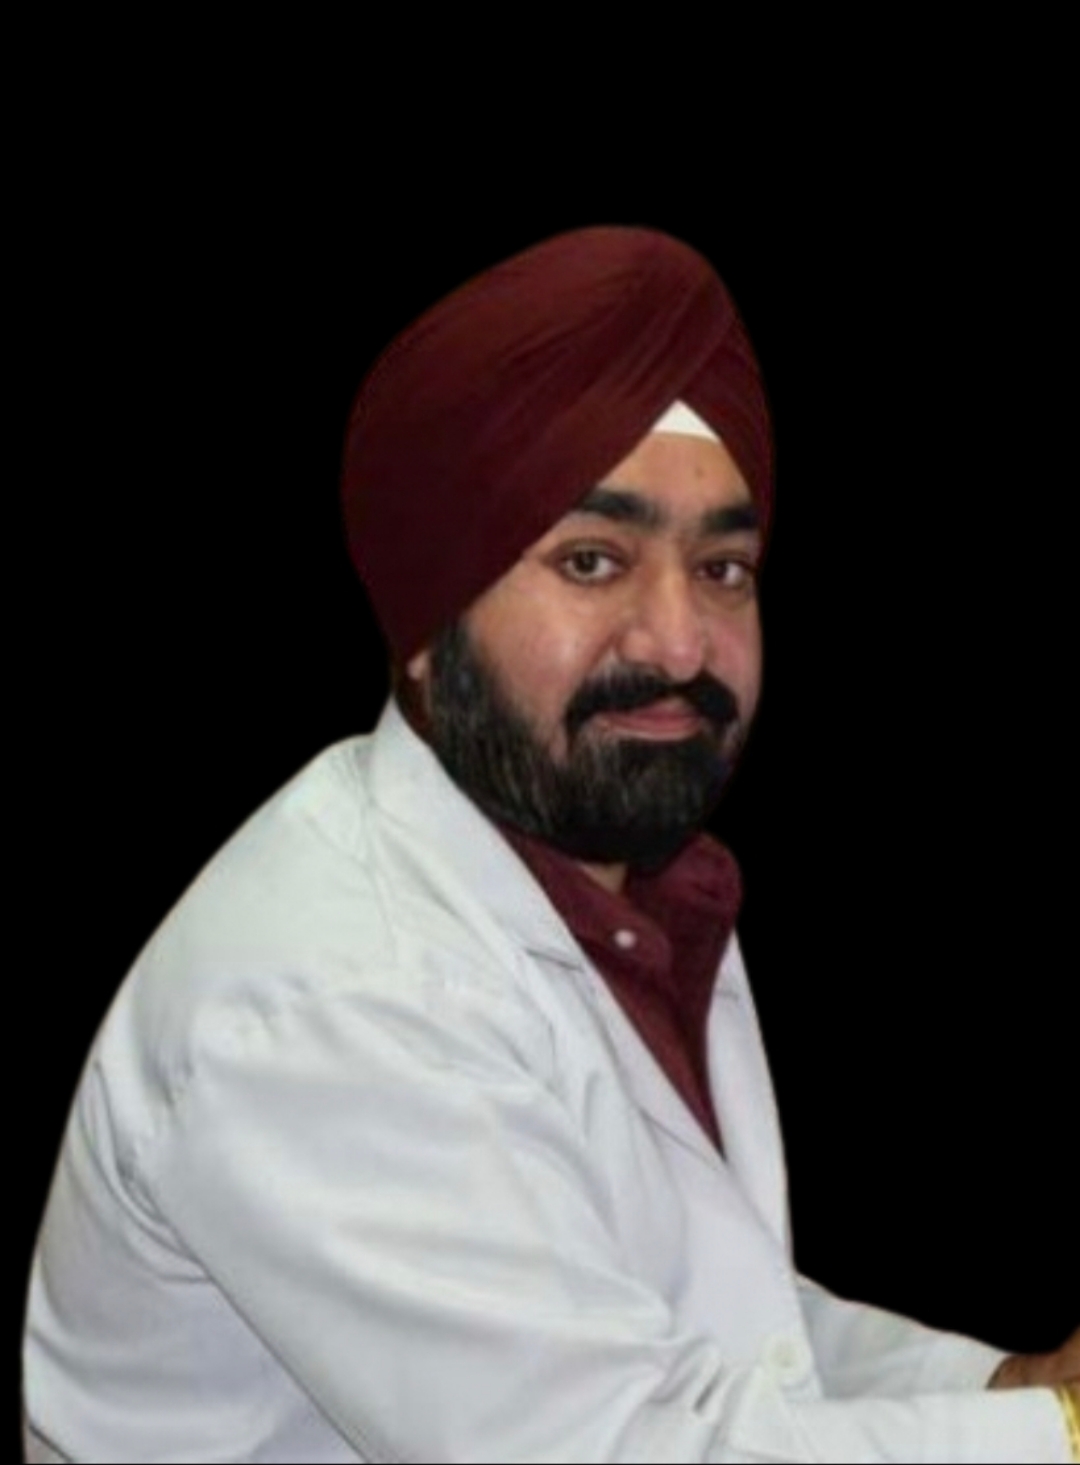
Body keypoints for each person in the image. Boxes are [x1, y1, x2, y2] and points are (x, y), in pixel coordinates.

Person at [21, 226, 1078, 1463]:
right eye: (591, 560)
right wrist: (1054, 1435)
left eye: (724, 567)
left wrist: (1009, 1386)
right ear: (429, 624)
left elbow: (709, 1327)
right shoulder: (334, 992)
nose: (678, 642)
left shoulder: (623, 897)